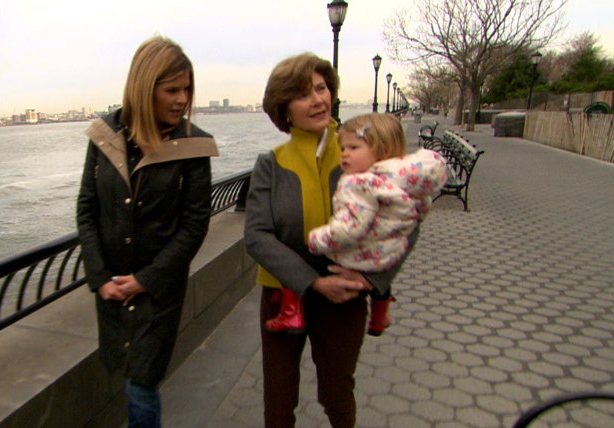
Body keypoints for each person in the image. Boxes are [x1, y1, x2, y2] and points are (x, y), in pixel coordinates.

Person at [245, 52, 420, 428]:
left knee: (337, 396)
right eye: (303, 94)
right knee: (278, 402)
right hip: (283, 293)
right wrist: (312, 282)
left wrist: (372, 280)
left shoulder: (361, 151)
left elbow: (406, 218)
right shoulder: (270, 164)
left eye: (321, 88)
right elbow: (257, 236)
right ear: (284, 109)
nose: (318, 99)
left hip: (346, 295)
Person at [76, 36, 218, 428]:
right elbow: (87, 209)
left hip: (157, 290)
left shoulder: (192, 145)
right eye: (172, 89)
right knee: (128, 372)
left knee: (142, 382)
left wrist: (145, 280)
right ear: (144, 87)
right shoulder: (105, 137)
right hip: (113, 289)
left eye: (186, 89)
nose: (182, 99)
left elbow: (194, 225)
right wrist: (100, 277)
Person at [307, 113, 447, 336]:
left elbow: (349, 228)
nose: (345, 154)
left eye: (353, 147)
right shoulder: (405, 180)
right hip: (390, 253)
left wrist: (315, 240)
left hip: (357, 259)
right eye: (343, 148)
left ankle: (290, 307)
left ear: (380, 149)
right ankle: (380, 317)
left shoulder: (357, 182)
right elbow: (420, 212)